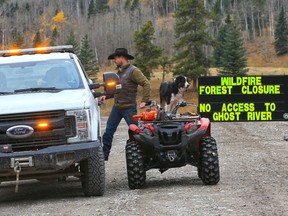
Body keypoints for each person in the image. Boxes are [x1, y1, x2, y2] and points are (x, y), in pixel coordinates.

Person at [101, 48, 151, 161]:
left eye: (115, 58)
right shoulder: (118, 73)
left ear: (122, 57)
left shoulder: (133, 71)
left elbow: (146, 84)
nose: (114, 60)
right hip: (117, 108)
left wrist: (144, 100)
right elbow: (118, 89)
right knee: (108, 131)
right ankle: (104, 155)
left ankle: (143, 156)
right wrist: (106, 96)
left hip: (129, 108)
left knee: (136, 133)